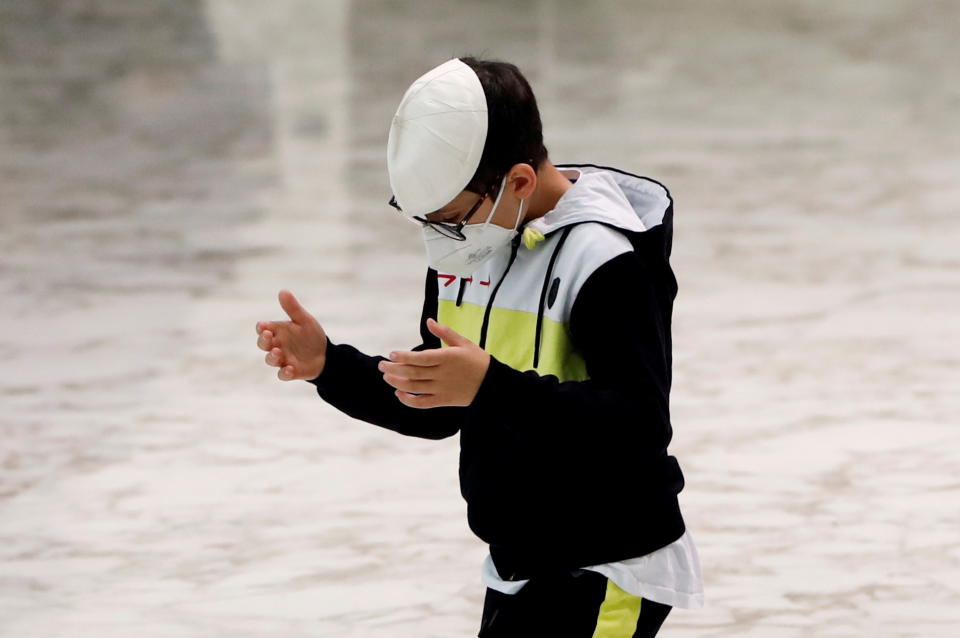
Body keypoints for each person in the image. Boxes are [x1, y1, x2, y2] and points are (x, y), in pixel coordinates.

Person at [255, 56, 703, 637]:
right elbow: (439, 404)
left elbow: (637, 424)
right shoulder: (469, 247)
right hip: (518, 563)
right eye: (422, 219)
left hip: (608, 562)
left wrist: (490, 386)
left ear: (517, 182)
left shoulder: (608, 261)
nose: (437, 239)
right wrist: (328, 366)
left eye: (448, 218)